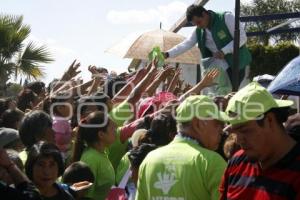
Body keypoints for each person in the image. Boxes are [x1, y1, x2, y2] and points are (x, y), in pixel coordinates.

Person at [135, 95, 227, 200]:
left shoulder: (149, 160)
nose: (222, 130)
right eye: (218, 124)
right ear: (198, 124)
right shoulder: (212, 162)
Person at [220, 82, 300, 199]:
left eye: (245, 130)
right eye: (235, 132)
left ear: (269, 121)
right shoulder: (237, 162)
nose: (239, 140)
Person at [163, 4, 251, 90]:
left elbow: (242, 38)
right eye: (195, 24)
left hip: (236, 64)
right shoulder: (199, 30)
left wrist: (225, 51)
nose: (198, 26)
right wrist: (167, 54)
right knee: (221, 95)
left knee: (231, 92)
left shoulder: (226, 17)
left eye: (198, 22)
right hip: (218, 67)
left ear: (204, 14)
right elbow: (187, 44)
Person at [72, 111, 116, 200]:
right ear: (101, 134)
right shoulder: (91, 159)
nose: (116, 130)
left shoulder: (102, 152)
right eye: (112, 128)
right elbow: (85, 196)